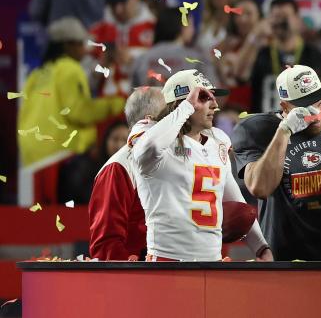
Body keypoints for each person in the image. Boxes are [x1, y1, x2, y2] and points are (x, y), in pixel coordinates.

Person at [231, 65, 321, 261]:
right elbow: (260, 188)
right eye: (306, 107)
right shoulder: (256, 129)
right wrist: (284, 131)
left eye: (320, 103)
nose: (318, 114)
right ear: (285, 107)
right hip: (283, 262)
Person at [132, 70, 271, 261]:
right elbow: (151, 146)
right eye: (205, 98)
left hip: (212, 262)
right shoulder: (150, 133)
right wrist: (187, 106)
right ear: (182, 102)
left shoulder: (218, 140)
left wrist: (261, 247)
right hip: (167, 261)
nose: (215, 105)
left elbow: (235, 199)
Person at [18, 18, 127, 202]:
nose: (85, 49)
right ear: (67, 45)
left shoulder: (37, 74)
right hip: (59, 154)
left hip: (32, 154)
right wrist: (117, 103)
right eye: (81, 44)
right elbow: (78, 111)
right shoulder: (70, 69)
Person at [88, 87, 165, 260]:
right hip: (139, 280)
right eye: (169, 114)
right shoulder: (118, 168)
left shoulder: (171, 160)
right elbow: (106, 247)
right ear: (150, 120)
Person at [247, 0, 321, 113]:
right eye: (275, 17)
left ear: (297, 19)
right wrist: (254, 35)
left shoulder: (313, 55)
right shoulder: (261, 53)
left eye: (284, 17)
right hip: (265, 121)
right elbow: (240, 75)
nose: (279, 22)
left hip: (303, 124)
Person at [88, 0, 156, 95]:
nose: (118, 10)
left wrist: (133, 61)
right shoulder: (97, 32)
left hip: (144, 108)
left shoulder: (155, 27)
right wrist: (101, 65)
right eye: (113, 4)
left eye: (123, 2)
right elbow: (84, 84)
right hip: (105, 109)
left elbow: (167, 72)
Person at [130, 7, 223, 91]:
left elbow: (133, 99)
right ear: (183, 27)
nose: (193, 30)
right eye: (191, 25)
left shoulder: (142, 59)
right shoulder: (197, 59)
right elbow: (214, 93)